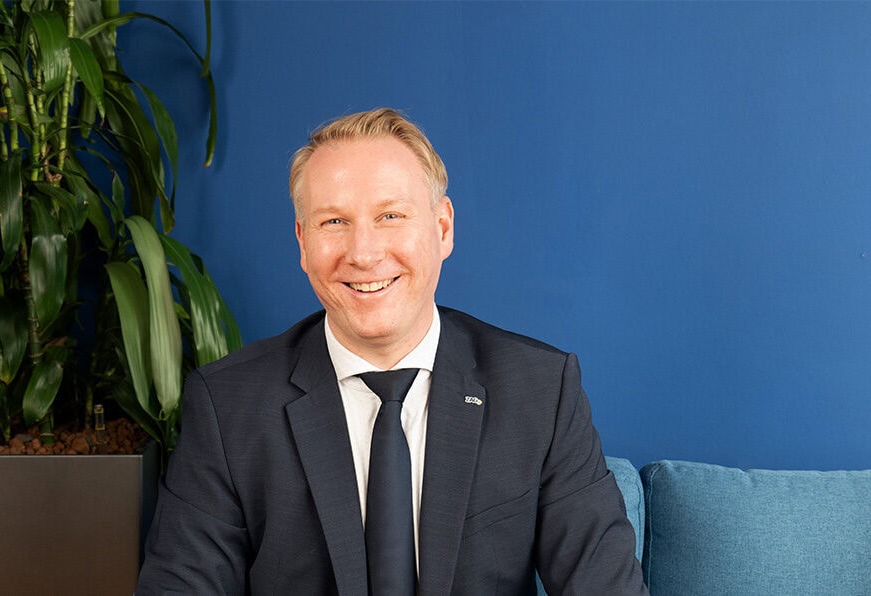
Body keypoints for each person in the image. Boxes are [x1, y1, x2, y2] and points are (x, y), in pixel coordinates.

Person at [135, 108, 648, 595]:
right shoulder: (227, 406)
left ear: (443, 228)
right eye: (334, 222)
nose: (363, 253)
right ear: (303, 242)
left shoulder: (540, 391)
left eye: (390, 215)